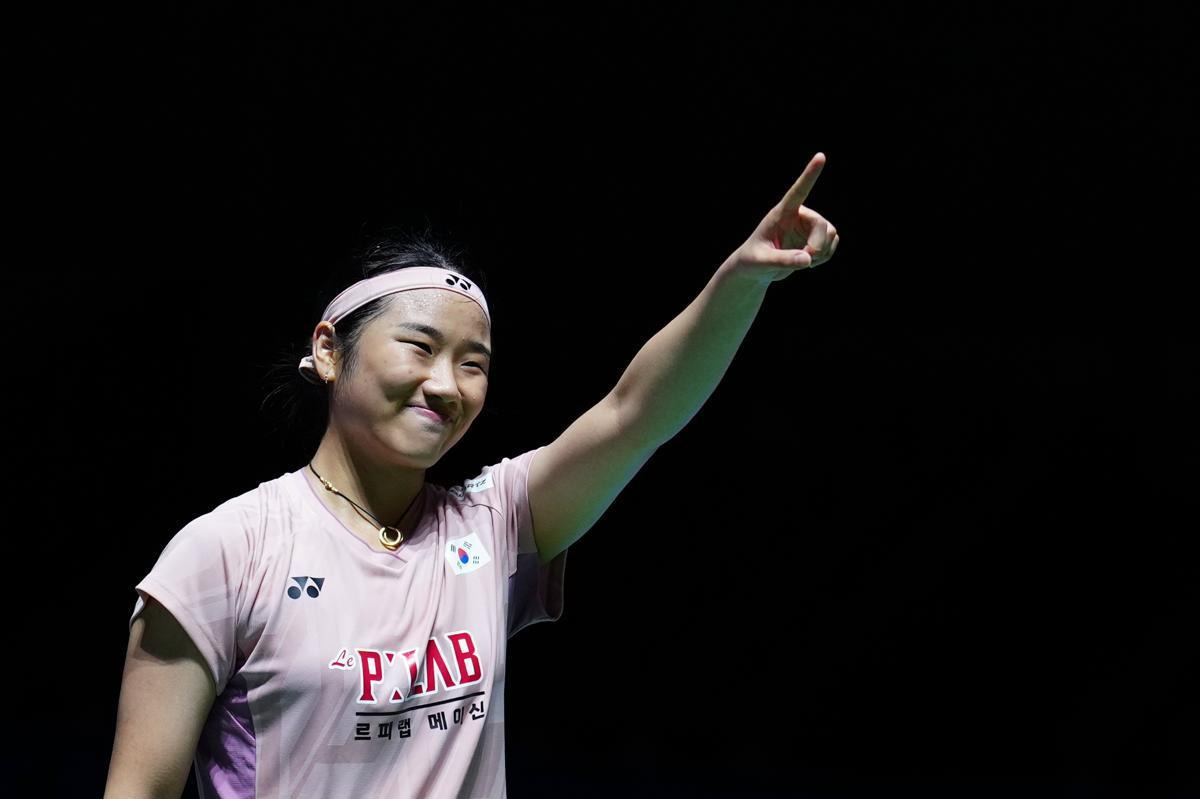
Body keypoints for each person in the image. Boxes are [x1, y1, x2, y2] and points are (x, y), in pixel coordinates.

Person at [104, 152, 840, 798]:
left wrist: (742, 281)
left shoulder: (495, 524)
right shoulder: (226, 552)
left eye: (473, 363)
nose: (446, 385)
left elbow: (634, 414)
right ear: (329, 351)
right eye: (419, 347)